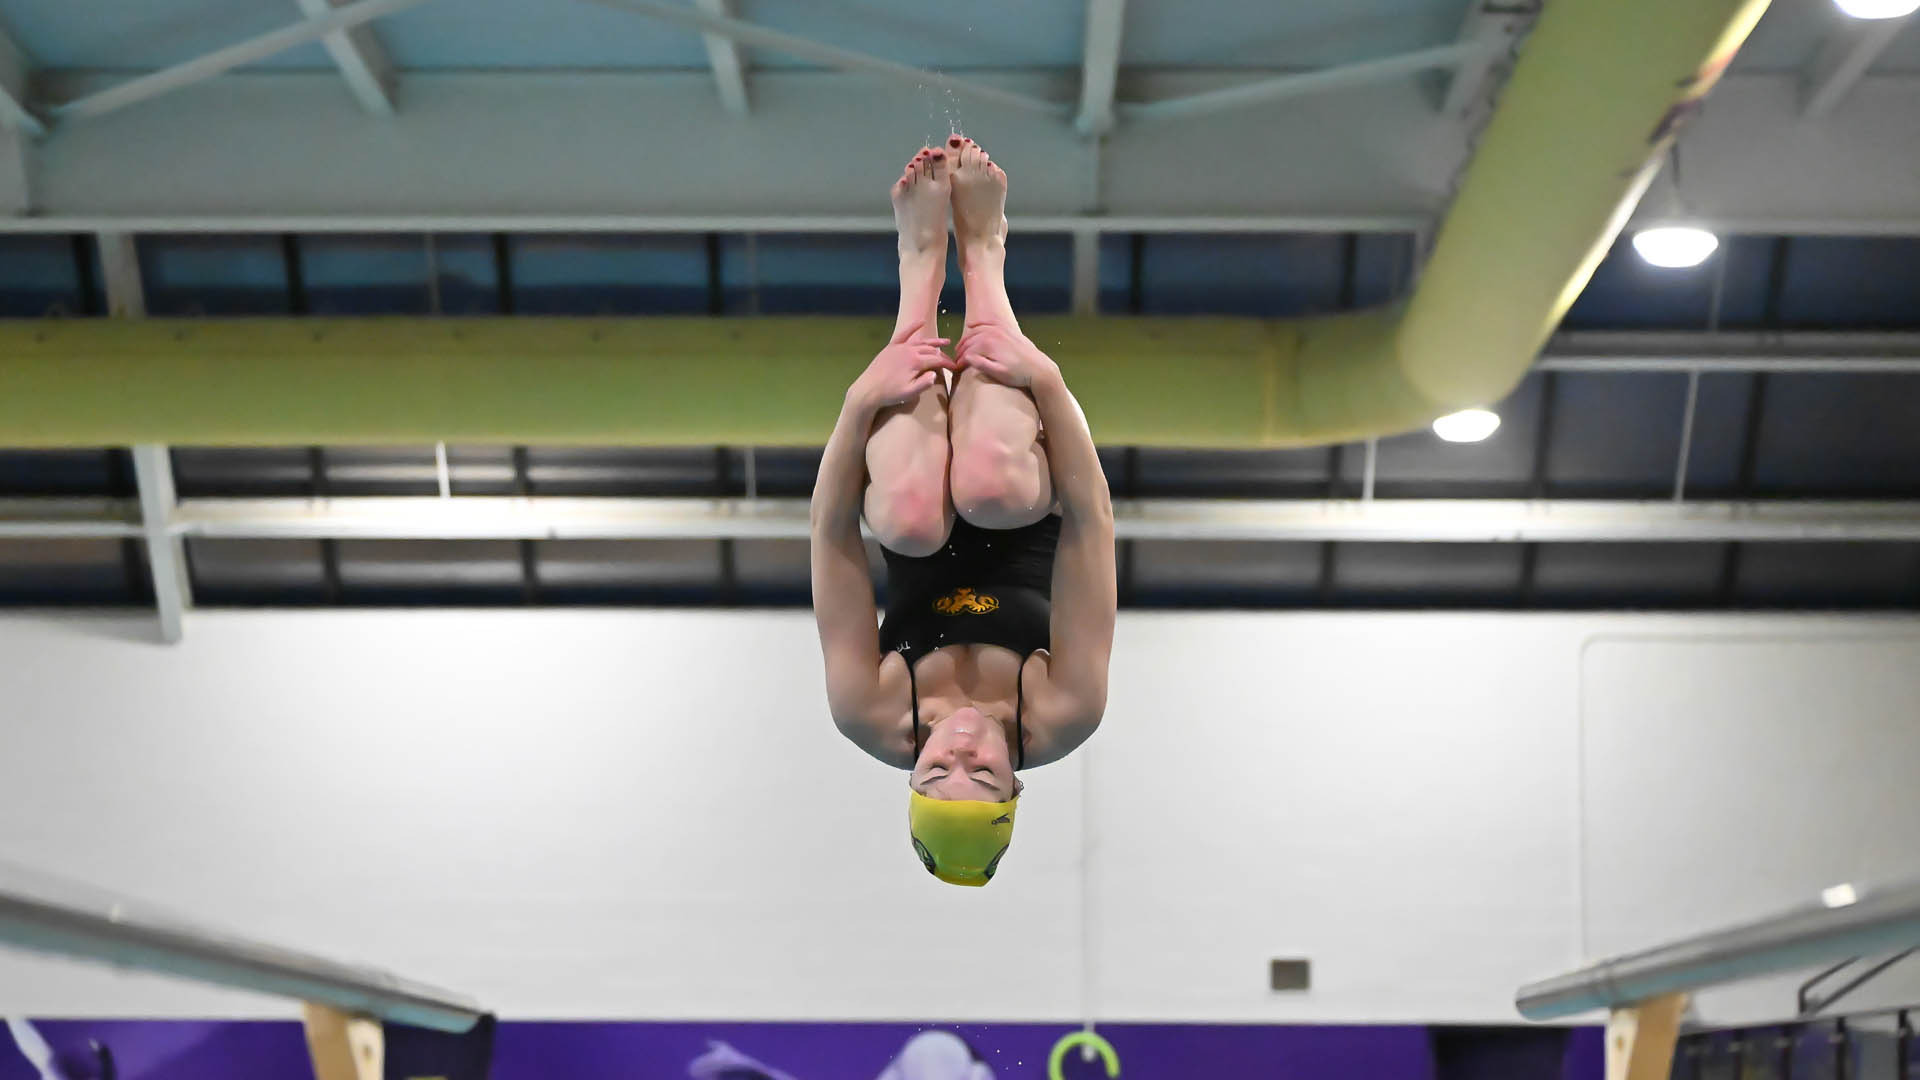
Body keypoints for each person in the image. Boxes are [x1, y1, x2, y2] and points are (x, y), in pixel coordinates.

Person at [809, 136, 1117, 887]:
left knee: (910, 520)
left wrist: (861, 400)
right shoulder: (1065, 708)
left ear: (910, 775)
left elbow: (829, 535)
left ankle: (920, 267)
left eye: (937, 768)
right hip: (1022, 495)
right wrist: (1045, 378)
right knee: (991, 490)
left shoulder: (869, 710)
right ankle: (983, 250)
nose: (964, 747)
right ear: (1015, 787)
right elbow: (1092, 522)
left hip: (912, 504)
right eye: (981, 773)